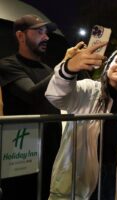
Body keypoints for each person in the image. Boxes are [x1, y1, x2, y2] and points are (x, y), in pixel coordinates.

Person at [45, 45, 117, 200]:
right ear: (107, 66)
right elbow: (56, 96)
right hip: (76, 181)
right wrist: (68, 69)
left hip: (111, 180)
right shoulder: (89, 90)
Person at [0, 14, 62, 200]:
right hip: (21, 152)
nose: (46, 37)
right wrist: (65, 68)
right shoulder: (8, 64)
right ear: (20, 36)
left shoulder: (48, 69)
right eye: (39, 32)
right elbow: (31, 94)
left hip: (50, 149)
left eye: (47, 32)